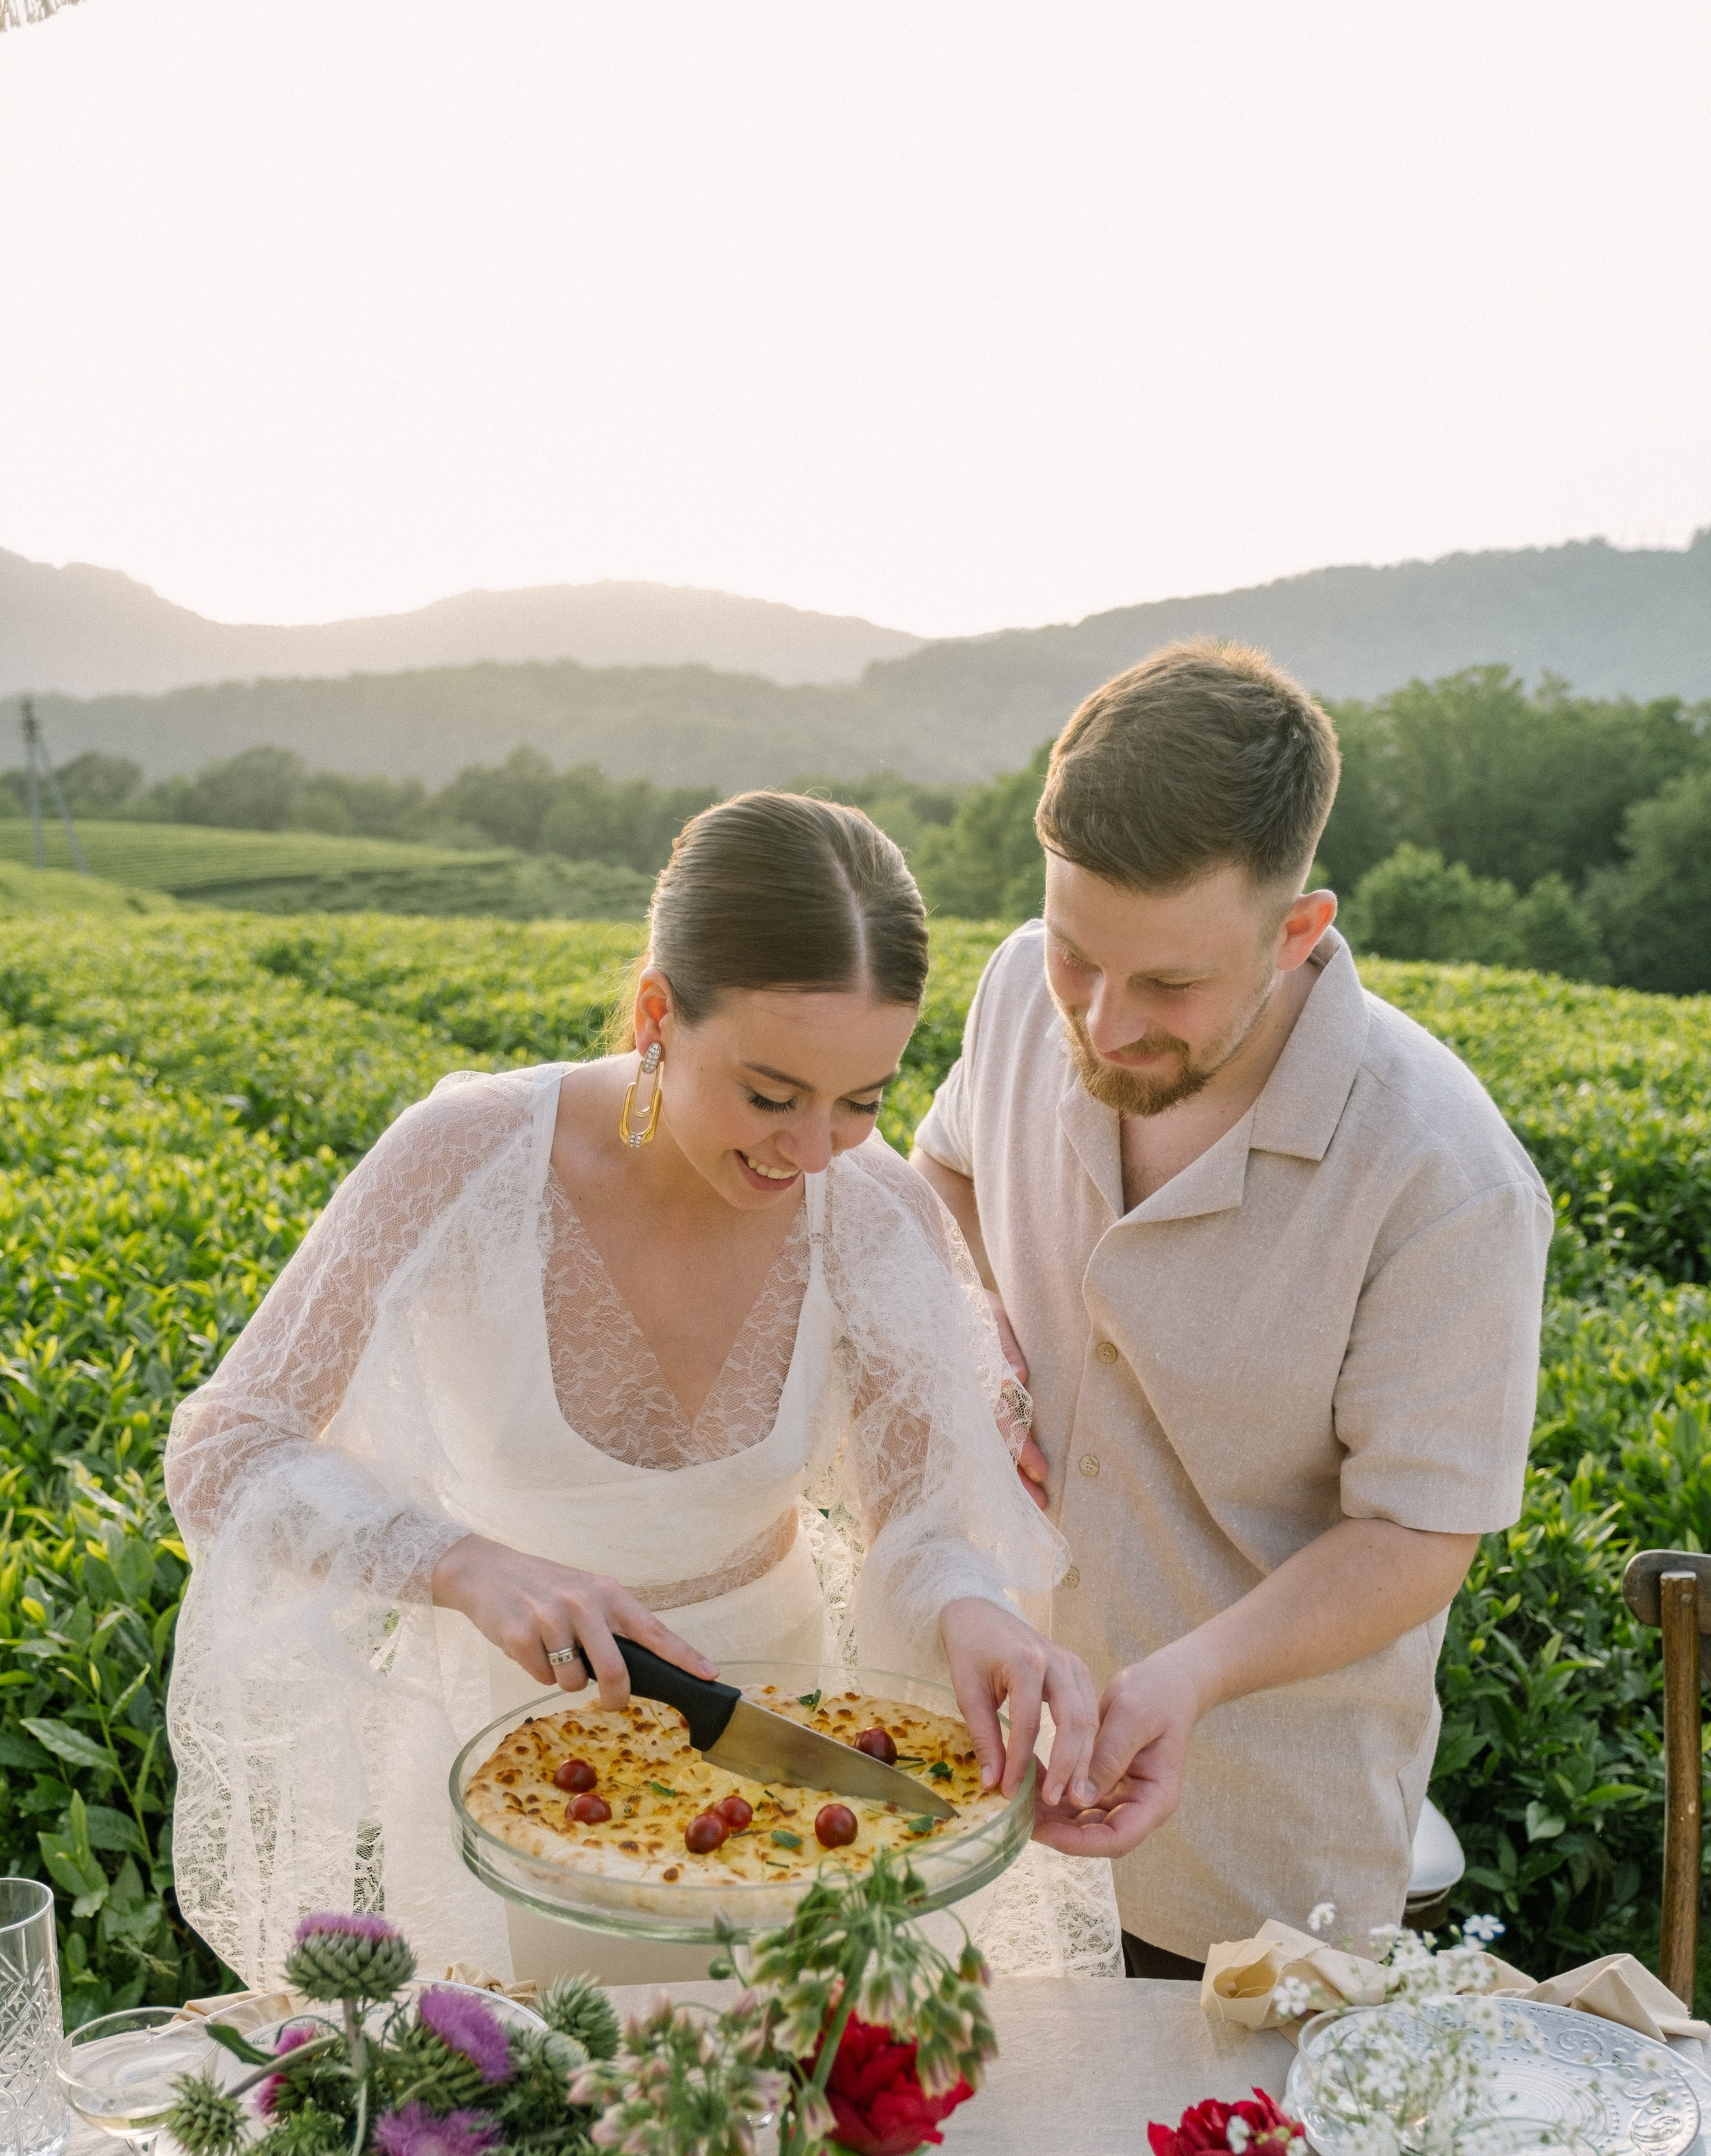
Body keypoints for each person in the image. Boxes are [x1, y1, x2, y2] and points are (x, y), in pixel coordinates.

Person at [164, 793, 1105, 1992]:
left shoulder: (870, 1210)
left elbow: (918, 1524)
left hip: (784, 1764)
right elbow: (225, 1448)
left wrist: (975, 1608)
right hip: (511, 1760)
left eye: (864, 1100)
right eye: (771, 1095)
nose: (814, 1151)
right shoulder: (466, 1159)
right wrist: (462, 1563)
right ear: (659, 1011)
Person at [912, 641, 1553, 1974]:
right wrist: (970, 1318)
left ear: (1296, 930)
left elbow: (1415, 1537)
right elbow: (946, 1171)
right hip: (978, 1786)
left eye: (1170, 985)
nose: (1100, 1022)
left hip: (1255, 1860)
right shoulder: (1017, 992)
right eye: (1077, 957)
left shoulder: (1444, 1178)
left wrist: (1183, 1680)